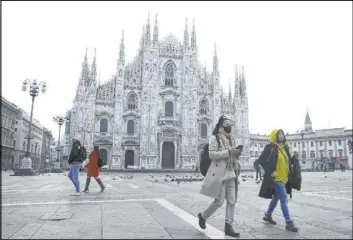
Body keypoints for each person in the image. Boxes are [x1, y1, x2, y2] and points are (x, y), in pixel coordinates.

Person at [198, 116, 243, 237]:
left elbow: (232, 156)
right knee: (219, 201)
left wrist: (237, 153)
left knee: (232, 201)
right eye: (227, 125)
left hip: (231, 173)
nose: (230, 127)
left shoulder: (231, 139)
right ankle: (203, 216)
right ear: (220, 126)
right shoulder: (215, 138)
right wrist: (229, 152)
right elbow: (212, 155)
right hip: (220, 174)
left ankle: (229, 226)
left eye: (231, 125)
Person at [254, 129, 298, 232]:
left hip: (284, 177)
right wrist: (269, 173)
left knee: (276, 197)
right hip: (276, 178)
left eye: (282, 134)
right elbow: (260, 161)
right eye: (279, 134)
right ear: (274, 136)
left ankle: (268, 215)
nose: (281, 135)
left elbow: (288, 162)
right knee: (284, 199)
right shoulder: (270, 147)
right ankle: (288, 223)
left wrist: (294, 158)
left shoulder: (284, 148)